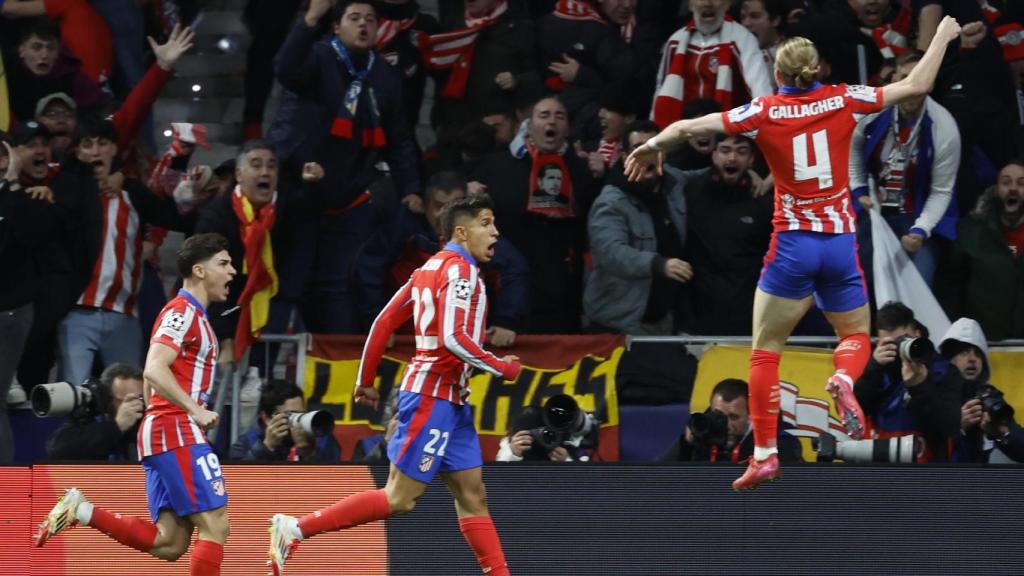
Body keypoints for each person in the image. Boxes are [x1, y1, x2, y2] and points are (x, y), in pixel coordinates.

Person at [625, 16, 963, 490]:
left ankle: (763, 453)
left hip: (792, 248)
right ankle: (844, 380)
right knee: (855, 338)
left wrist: (652, 147)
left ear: (779, 75)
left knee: (765, 352)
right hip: (840, 244)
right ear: (818, 70)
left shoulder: (762, 111)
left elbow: (689, 126)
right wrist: (944, 36)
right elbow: (917, 84)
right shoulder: (844, 98)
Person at [267, 194, 520, 576]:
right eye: (487, 223)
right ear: (461, 232)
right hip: (432, 395)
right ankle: (296, 528)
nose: (496, 231)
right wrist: (502, 366)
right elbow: (452, 338)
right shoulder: (462, 273)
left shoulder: (426, 271)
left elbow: (382, 323)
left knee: (473, 495)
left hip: (452, 400)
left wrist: (365, 379)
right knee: (399, 499)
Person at [35, 233, 236, 575]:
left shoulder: (195, 316)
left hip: (165, 429)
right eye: (224, 263)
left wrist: (155, 415)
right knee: (216, 524)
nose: (232, 271)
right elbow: (154, 368)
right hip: (176, 428)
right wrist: (193, 410)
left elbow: (151, 377)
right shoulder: (182, 311)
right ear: (199, 271)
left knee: (170, 543)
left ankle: (81, 511)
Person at [850, 49, 960, 287]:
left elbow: (942, 191)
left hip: (917, 217)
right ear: (893, 80)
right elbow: (852, 147)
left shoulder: (944, 127)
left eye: (919, 77)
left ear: (929, 83)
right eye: (903, 78)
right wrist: (859, 190)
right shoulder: (872, 109)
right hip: (874, 214)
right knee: (858, 288)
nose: (911, 85)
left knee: (919, 292)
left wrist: (921, 230)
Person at [584, 120, 690, 335]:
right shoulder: (611, 201)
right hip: (617, 324)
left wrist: (752, 176)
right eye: (638, 148)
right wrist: (658, 264)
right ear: (625, 158)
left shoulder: (673, 183)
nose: (647, 153)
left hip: (663, 320)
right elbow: (611, 253)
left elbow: (705, 177)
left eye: (654, 146)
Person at [659, 378, 802, 462]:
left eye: (734, 417)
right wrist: (686, 444)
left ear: (751, 415)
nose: (726, 424)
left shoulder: (779, 443)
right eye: (718, 415)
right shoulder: (704, 433)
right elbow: (659, 479)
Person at [46, 363, 145, 461]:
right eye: (127, 400)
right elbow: (57, 451)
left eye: (140, 399)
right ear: (107, 399)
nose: (135, 406)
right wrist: (117, 426)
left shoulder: (146, 422)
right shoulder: (91, 422)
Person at [229, 379, 341, 462]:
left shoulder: (319, 434)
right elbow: (241, 482)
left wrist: (309, 453)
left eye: (301, 414)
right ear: (266, 418)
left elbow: (332, 479)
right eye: (290, 415)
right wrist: (266, 447)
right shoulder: (247, 443)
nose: (297, 420)